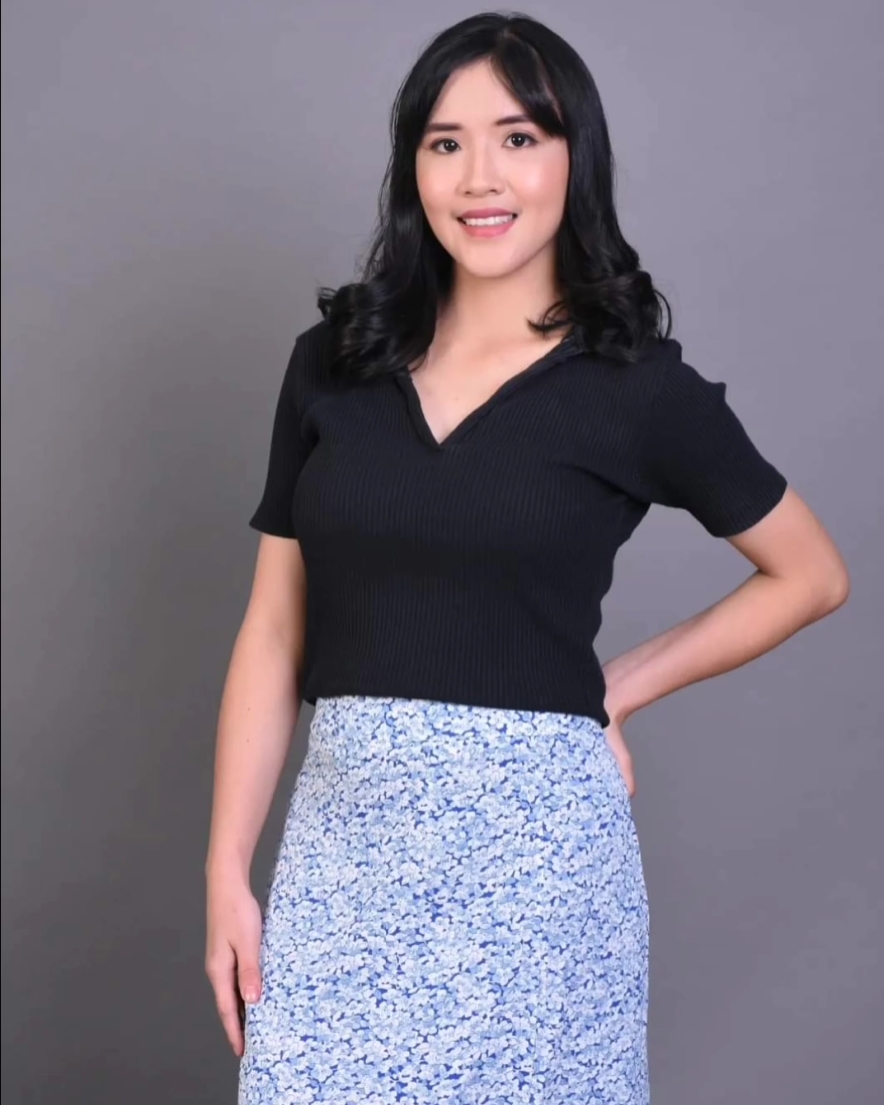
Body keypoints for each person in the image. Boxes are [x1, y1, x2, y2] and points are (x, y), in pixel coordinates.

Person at [205, 12, 849, 1104]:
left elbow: (811, 573)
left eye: (518, 137)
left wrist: (617, 687)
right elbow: (273, 628)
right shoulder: (333, 362)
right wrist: (226, 868)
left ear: (572, 158)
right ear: (412, 168)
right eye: (444, 142)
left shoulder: (633, 386)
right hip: (344, 862)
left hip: (542, 876)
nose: (479, 177)